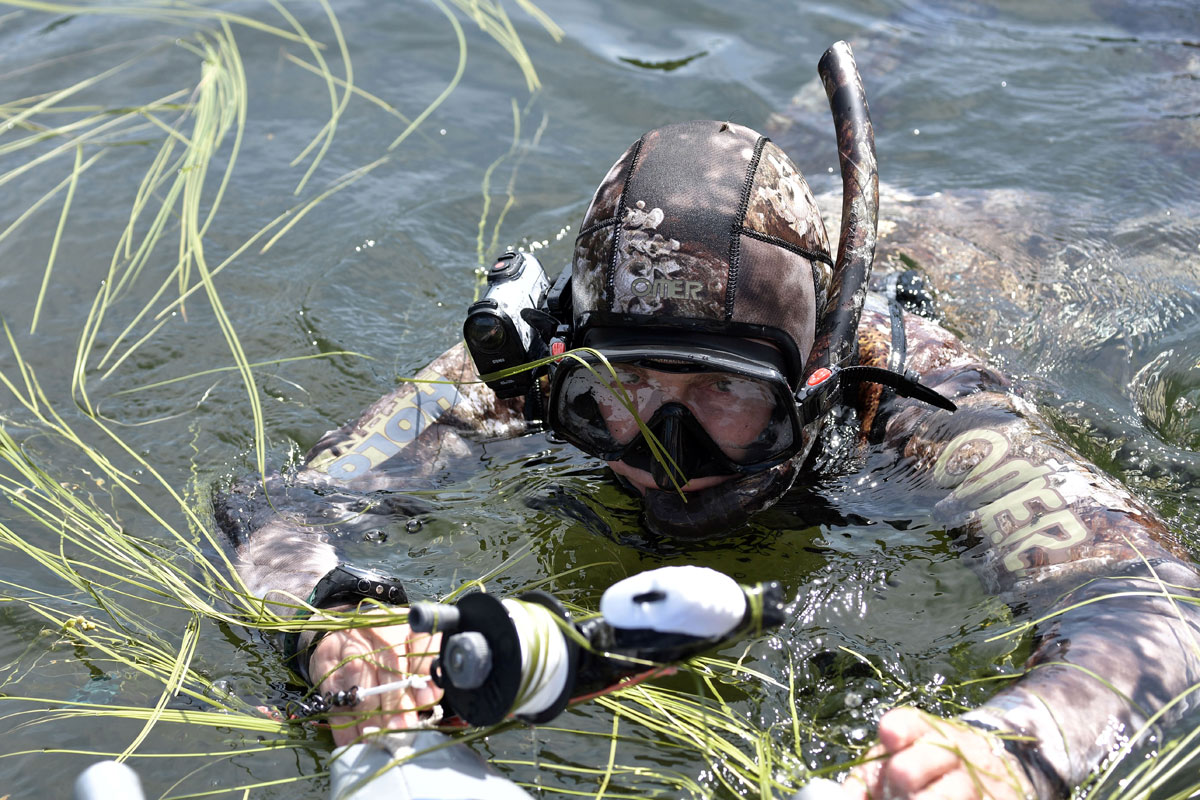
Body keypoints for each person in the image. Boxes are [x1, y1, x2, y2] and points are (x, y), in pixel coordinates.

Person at [216, 51, 1200, 799]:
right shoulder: (532, 364)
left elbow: (1161, 612)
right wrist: (340, 619)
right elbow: (281, 505)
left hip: (1014, 252)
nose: (666, 456)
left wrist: (1005, 753)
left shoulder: (903, 381)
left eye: (725, 396)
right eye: (623, 390)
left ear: (813, 384)